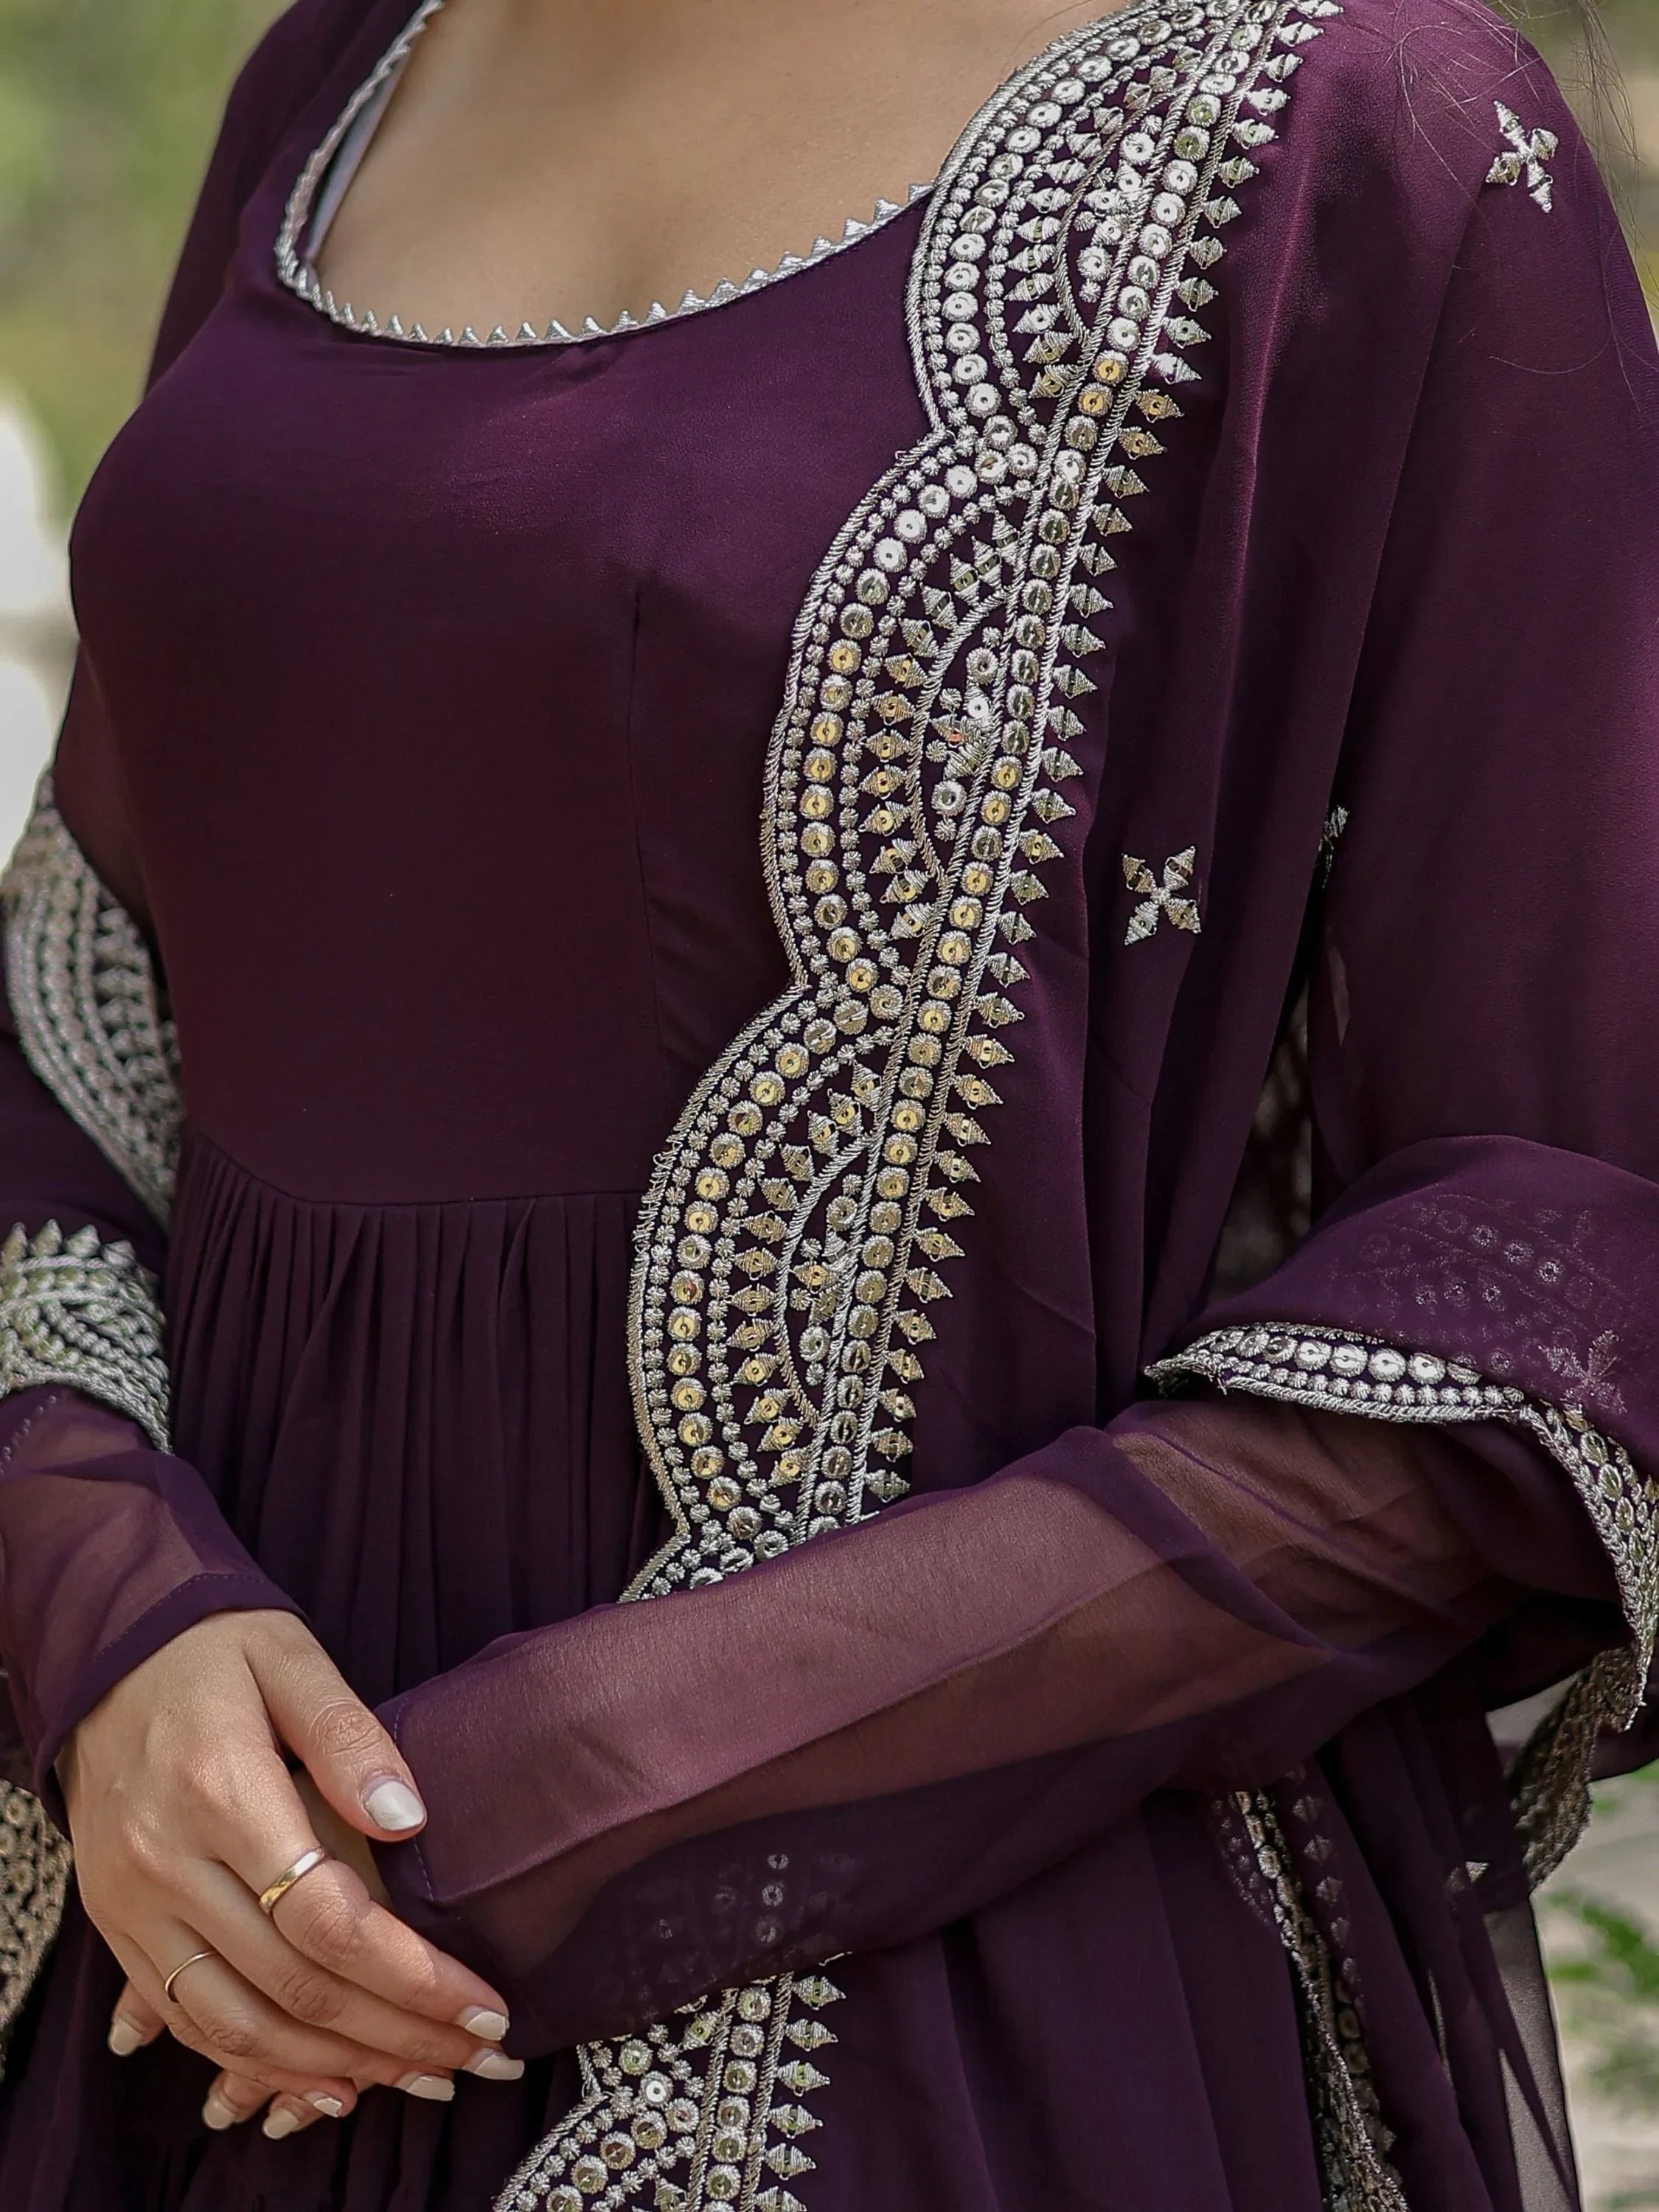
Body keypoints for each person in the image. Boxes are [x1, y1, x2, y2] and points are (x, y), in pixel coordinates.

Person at [0, 0, 1654, 2203]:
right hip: (187, 1937)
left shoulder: (1347, 123)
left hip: (912, 2011)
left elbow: (1554, 1275)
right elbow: (83, 998)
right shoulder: (347, 72)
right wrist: (106, 1610)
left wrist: (591, 1780)